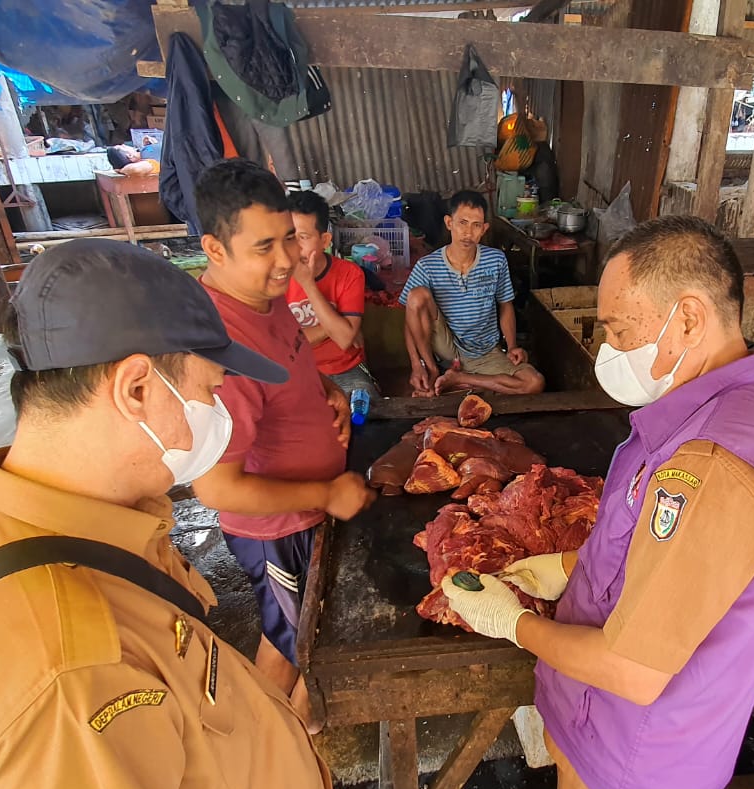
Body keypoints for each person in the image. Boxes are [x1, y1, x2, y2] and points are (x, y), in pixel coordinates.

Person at [0, 239, 341, 789]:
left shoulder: (91, 528)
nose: (223, 411)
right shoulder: (68, 668)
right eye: (211, 388)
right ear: (137, 388)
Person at [438, 217, 754, 789]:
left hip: (635, 753)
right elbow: (659, 558)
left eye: (617, 328)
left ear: (688, 317)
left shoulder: (711, 463)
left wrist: (512, 622)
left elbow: (633, 670)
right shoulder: (720, 414)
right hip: (639, 746)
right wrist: (568, 568)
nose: (608, 348)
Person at [189, 160, 376, 729]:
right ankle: (255, 745)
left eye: (290, 239)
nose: (287, 259)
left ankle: (301, 722)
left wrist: (328, 393)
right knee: (287, 640)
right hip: (276, 533)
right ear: (215, 250)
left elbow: (295, 360)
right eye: (265, 246)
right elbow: (215, 485)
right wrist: (326, 489)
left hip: (307, 510)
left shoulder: (263, 299)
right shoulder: (221, 346)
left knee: (306, 628)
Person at [401, 190, 546, 396]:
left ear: (484, 229)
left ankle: (460, 380)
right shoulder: (427, 266)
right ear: (449, 223)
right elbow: (411, 320)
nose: (468, 233)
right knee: (416, 296)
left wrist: (512, 346)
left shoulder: (496, 261)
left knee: (534, 383)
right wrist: (418, 365)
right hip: (446, 348)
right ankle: (435, 371)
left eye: (476, 225)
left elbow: (506, 305)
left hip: (485, 352)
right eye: (462, 222)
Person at [286, 190, 381, 397]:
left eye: (303, 237)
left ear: (325, 240)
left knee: (367, 414)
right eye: (288, 237)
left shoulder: (349, 274)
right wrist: (334, 326)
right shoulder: (275, 277)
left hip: (345, 369)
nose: (294, 247)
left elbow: (345, 340)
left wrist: (308, 285)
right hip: (296, 371)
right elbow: (279, 345)